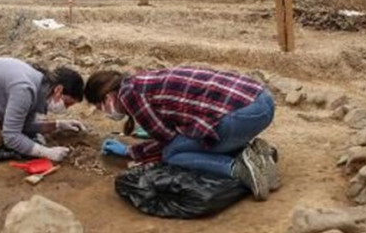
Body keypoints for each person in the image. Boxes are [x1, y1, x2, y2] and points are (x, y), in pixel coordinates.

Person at [85, 67, 280, 201]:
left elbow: (167, 141)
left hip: (244, 115)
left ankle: (238, 168)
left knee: (173, 154)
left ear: (108, 97)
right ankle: (254, 152)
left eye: (100, 106)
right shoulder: (139, 81)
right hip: (263, 101)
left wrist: (131, 151)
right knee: (194, 138)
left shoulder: (129, 96)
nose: (104, 111)